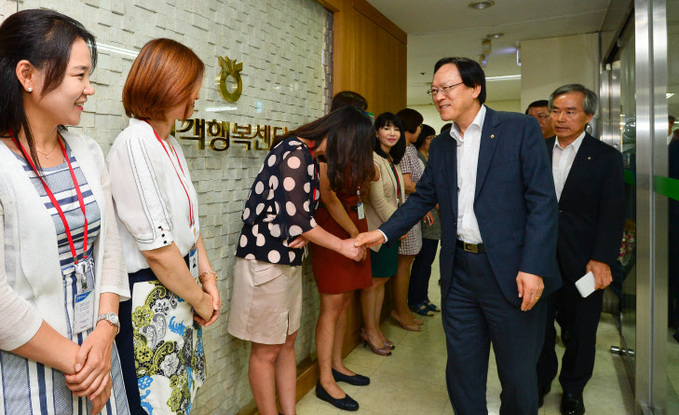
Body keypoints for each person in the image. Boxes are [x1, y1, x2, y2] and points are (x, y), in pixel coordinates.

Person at [355, 57, 559, 415]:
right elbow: (422, 198)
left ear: (475, 88)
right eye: (434, 90)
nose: (438, 96)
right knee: (462, 369)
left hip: (511, 273)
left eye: (447, 87)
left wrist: (533, 267)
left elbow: (542, 202)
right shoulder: (445, 143)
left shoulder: (518, 128)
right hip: (460, 272)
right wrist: (383, 234)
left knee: (517, 375)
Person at [0, 9, 130, 415]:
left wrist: (106, 331)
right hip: (32, 367)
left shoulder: (88, 152)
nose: (89, 89)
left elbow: (107, 251)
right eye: (80, 75)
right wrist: (80, 363)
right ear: (27, 75)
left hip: (100, 357)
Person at [228, 106, 369, 415]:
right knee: (266, 351)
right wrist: (343, 246)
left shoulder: (306, 155)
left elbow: (296, 217)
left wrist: (304, 230)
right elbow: (299, 222)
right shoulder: (294, 152)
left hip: (286, 260)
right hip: (266, 262)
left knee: (287, 344)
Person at [107, 38, 220, 414]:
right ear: (164, 86)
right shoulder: (134, 144)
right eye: (190, 88)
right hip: (152, 296)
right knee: (155, 404)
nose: (197, 96)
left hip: (181, 287)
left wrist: (208, 277)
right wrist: (201, 299)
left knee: (180, 398)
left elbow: (190, 225)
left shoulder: (169, 143)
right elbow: (156, 249)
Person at [537, 84, 625, 415]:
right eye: (556, 111)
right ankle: (539, 382)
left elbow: (612, 214)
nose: (560, 118)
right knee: (539, 329)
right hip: (540, 259)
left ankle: (573, 389)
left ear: (588, 115)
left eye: (570, 111)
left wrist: (602, 259)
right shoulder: (537, 150)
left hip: (584, 261)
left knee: (581, 331)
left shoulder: (605, 157)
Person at [310, 92, 375, 411]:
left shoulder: (351, 147)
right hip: (333, 227)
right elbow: (328, 196)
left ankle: (337, 363)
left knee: (347, 298)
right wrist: (353, 233)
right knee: (332, 304)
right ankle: (325, 379)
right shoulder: (323, 150)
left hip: (354, 223)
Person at [361, 112, 407, 349]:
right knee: (374, 283)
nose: (392, 133)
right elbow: (378, 201)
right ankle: (370, 331)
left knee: (382, 281)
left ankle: (375, 328)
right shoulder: (373, 159)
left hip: (389, 231)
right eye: (386, 128)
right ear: (376, 132)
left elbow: (397, 197)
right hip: (378, 231)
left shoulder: (390, 160)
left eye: (396, 129)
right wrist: (399, 226)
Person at [391, 108, 430, 329]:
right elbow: (406, 185)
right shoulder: (404, 151)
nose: (421, 130)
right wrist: (428, 195)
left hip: (414, 209)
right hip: (407, 209)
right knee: (403, 264)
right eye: (420, 125)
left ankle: (403, 309)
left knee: (408, 261)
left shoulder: (410, 150)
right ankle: (400, 311)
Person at [409, 124, 441, 316]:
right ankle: (416, 299)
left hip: (435, 216)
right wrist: (437, 205)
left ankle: (424, 297)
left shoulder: (428, 158)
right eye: (429, 137)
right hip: (427, 216)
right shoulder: (417, 158)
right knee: (423, 261)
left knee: (428, 262)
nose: (432, 141)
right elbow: (420, 189)